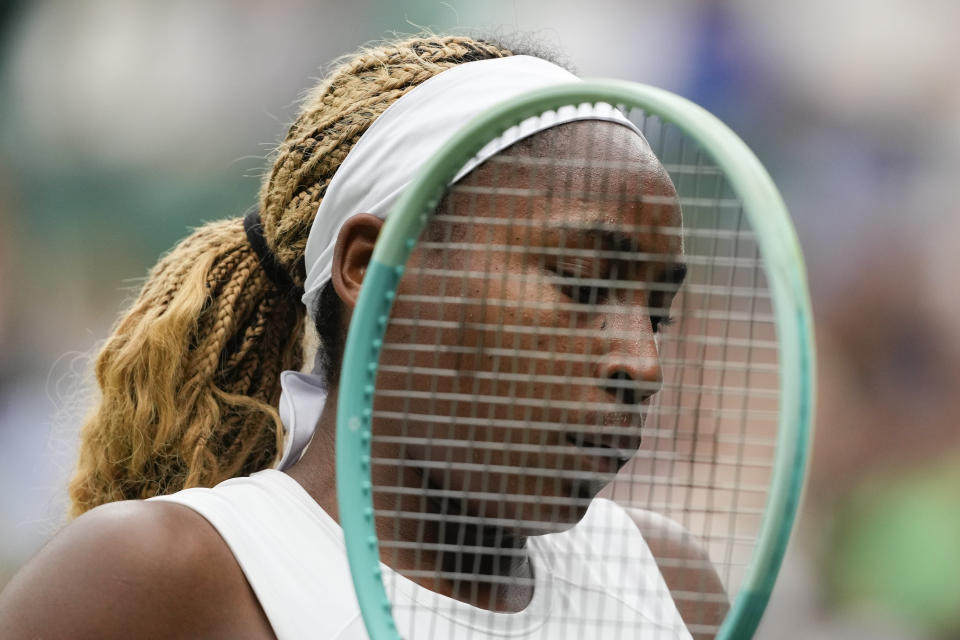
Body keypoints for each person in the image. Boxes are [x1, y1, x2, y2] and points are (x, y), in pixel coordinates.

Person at [0, 35, 726, 639]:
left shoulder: (670, 588)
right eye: (579, 282)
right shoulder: (160, 580)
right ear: (372, 266)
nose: (641, 361)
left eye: (655, 314)